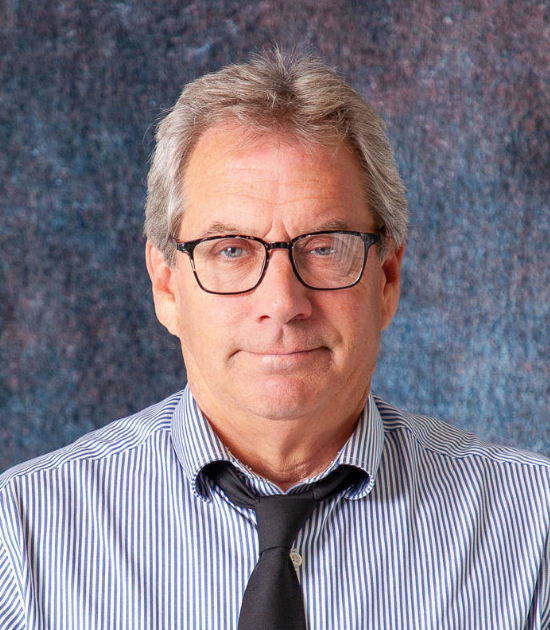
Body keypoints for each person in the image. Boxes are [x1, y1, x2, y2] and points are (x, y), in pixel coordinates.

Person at [1, 50, 549, 630]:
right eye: (231, 250)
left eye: (325, 246)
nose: (283, 304)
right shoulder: (24, 536)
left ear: (387, 277)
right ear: (166, 284)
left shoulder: (533, 530)